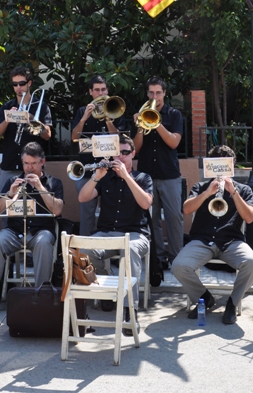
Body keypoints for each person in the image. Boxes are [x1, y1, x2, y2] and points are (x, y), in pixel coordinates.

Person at [0, 142, 64, 318]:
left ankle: (41, 295)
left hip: (41, 231)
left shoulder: (54, 182)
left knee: (44, 243)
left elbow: (58, 210)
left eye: (33, 163)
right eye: (25, 163)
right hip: (14, 231)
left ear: (42, 161)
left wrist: (40, 188)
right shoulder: (12, 181)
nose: (29, 168)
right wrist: (9, 194)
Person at [171, 145, 253, 325]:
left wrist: (232, 191)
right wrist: (206, 193)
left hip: (231, 241)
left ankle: (232, 303)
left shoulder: (243, 190)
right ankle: (204, 298)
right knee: (179, 266)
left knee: (252, 263)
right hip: (202, 240)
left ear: (232, 165)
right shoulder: (200, 186)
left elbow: (249, 218)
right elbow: (186, 209)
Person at [78, 135, 152, 336]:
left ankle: (130, 310)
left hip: (135, 234)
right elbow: (82, 197)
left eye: (125, 152)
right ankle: (107, 285)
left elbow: (146, 203)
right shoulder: (105, 178)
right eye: (117, 153)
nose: (121, 156)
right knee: (82, 250)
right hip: (106, 233)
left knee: (129, 250)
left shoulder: (143, 178)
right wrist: (96, 177)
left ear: (133, 154)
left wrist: (127, 177)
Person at [133, 75, 184, 270]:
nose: (155, 96)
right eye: (151, 92)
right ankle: (157, 258)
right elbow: (135, 148)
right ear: (147, 93)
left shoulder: (174, 115)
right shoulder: (139, 115)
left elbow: (173, 142)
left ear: (164, 94)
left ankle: (177, 259)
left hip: (169, 173)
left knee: (174, 217)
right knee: (151, 219)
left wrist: (155, 122)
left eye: (158, 93)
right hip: (146, 174)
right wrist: (139, 126)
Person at [71, 75, 123, 236]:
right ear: (90, 92)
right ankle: (85, 251)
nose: (100, 93)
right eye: (97, 90)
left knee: (113, 211)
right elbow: (74, 137)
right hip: (88, 170)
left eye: (103, 89)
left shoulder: (115, 109)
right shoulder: (81, 111)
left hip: (110, 171)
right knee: (87, 213)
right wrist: (84, 119)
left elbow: (119, 138)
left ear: (107, 91)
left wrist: (108, 119)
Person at [0, 66, 52, 199]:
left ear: (29, 83)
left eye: (22, 83)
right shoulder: (7, 107)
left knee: (34, 205)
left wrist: (32, 119)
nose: (18, 87)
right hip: (9, 164)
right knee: (4, 204)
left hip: (33, 165)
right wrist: (8, 119)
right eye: (15, 84)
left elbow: (48, 135)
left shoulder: (41, 106)